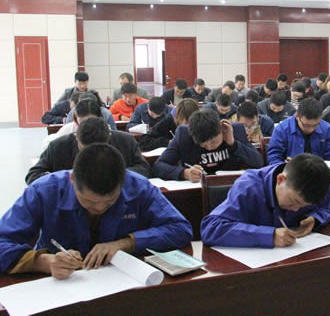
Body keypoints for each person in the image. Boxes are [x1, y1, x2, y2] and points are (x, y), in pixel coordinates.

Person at [1, 143, 192, 277]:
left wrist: (125, 244)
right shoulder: (44, 191)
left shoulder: (138, 187)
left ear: (123, 181)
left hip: (120, 283)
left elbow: (180, 229)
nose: (99, 208)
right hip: (60, 284)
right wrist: (44, 262)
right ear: (72, 180)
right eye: (89, 202)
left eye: (110, 202)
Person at [201, 154, 330, 248]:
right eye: (295, 201)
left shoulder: (317, 184)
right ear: (280, 180)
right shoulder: (248, 188)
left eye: (304, 206)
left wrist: (315, 218)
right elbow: (210, 228)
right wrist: (269, 236)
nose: (296, 209)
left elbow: (328, 207)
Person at [27, 115, 153, 185]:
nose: (93, 155)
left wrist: (117, 174)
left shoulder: (125, 141)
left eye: (100, 149)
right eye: (86, 150)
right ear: (76, 138)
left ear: (109, 136)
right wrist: (67, 179)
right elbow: (33, 175)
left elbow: (144, 169)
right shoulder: (58, 146)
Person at [152, 108, 263, 180]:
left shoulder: (234, 130)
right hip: (196, 190)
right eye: (204, 145)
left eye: (213, 142)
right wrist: (184, 173)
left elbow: (258, 162)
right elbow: (158, 166)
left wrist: (233, 143)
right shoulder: (184, 135)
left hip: (229, 186)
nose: (209, 148)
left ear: (221, 129)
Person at [267, 99, 330, 164]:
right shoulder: (282, 129)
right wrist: (285, 166)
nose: (310, 129)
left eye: (315, 125)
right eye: (306, 125)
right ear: (297, 116)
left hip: (320, 171)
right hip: (289, 172)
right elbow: (274, 157)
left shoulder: (327, 129)